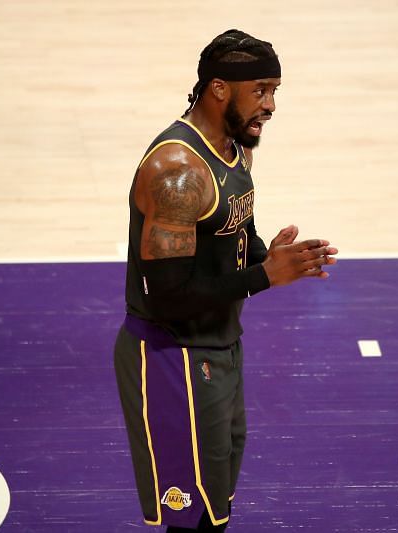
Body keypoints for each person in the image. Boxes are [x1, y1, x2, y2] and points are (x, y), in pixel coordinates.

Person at [113, 29, 337, 532]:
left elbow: (236, 235)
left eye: (274, 90)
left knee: (216, 507)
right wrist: (263, 276)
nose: (272, 104)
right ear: (219, 89)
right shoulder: (178, 171)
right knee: (192, 522)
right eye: (260, 90)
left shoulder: (235, 151)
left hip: (219, 346)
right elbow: (168, 298)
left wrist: (268, 255)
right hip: (172, 354)